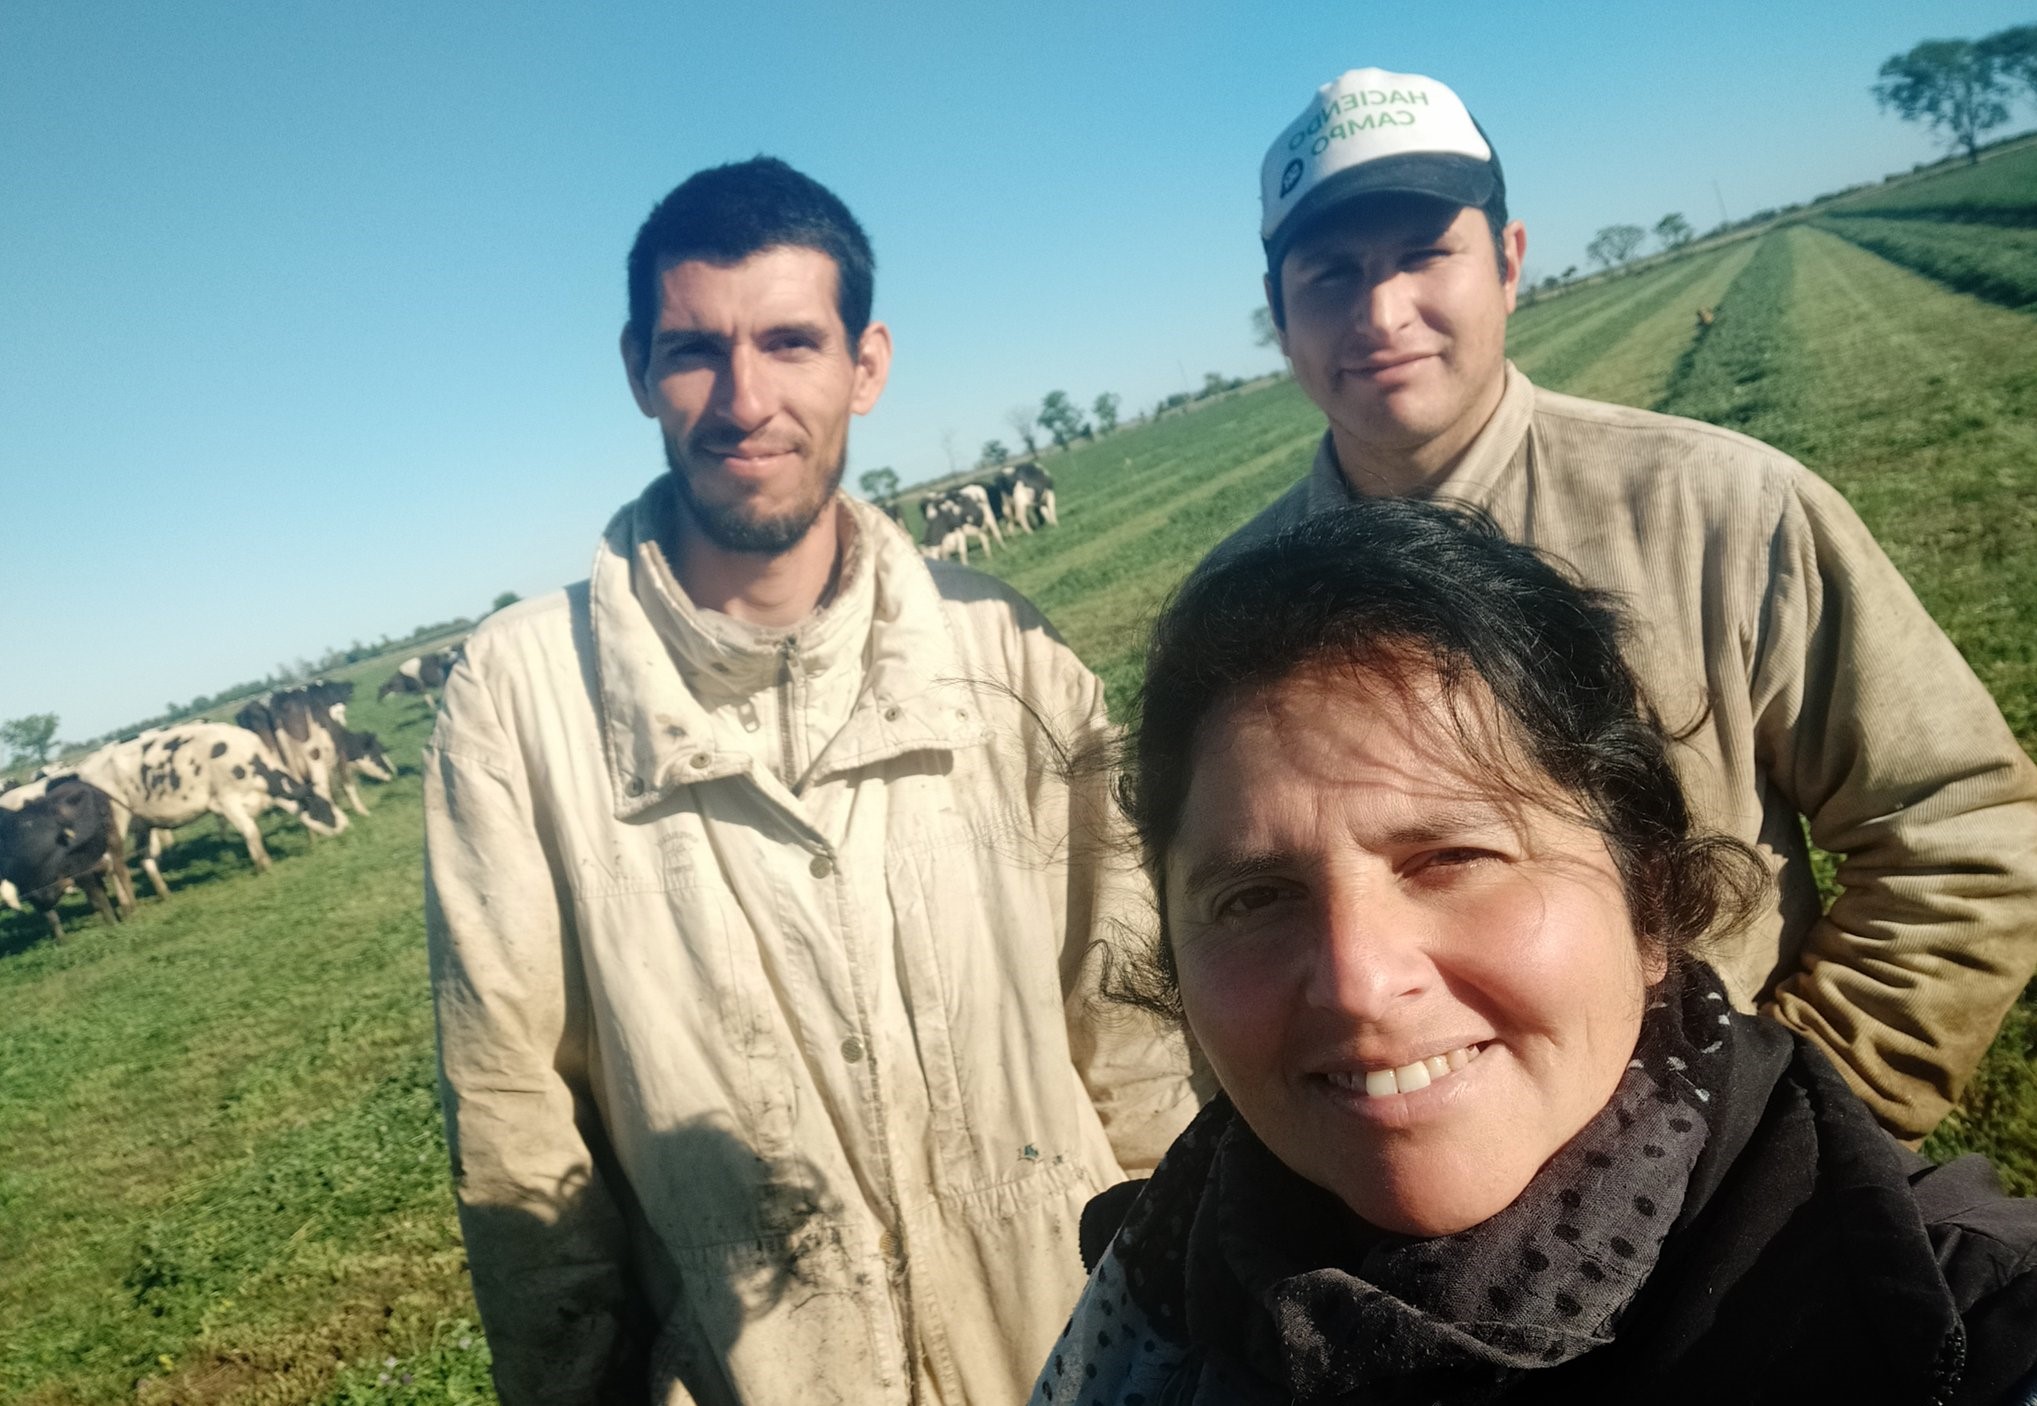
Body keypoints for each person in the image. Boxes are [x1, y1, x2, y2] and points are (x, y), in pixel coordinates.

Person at [423, 157, 1197, 1406]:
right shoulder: (518, 701)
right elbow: (515, 1124)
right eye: (695, 351)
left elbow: (1129, 1017)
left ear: (866, 365)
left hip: (1076, 1348)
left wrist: (1189, 1310)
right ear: (637, 369)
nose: (745, 400)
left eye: (791, 342)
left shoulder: (1005, 655)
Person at [1038, 501, 2037, 1404]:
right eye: (1255, 896)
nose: (1357, 980)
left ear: (1649, 900)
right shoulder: (1150, 1289)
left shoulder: (1960, 1331)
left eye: (1453, 857)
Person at [1208, 67, 2037, 1142]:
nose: (1381, 312)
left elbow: (1960, 835)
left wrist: (1774, 1138)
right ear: (1280, 317)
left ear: (1508, 264)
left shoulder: (1722, 507)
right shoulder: (1236, 607)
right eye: (1330, 274)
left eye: (1424, 254)